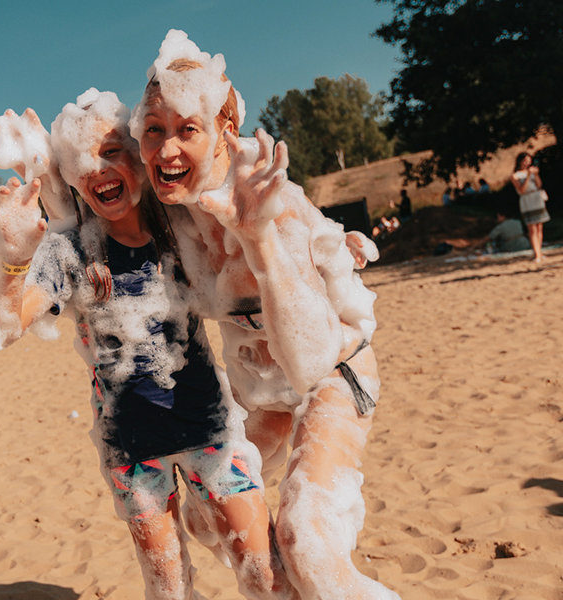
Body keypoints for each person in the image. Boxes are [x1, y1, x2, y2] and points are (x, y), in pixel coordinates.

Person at [0, 93, 292, 599]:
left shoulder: (183, 228)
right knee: (168, 589)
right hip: (131, 450)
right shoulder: (71, 250)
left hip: (210, 431)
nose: (99, 168)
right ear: (74, 175)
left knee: (264, 574)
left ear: (140, 160)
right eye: (85, 160)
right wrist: (12, 258)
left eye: (112, 151)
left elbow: (255, 253)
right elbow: (7, 324)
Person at [130, 31, 395, 599]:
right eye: (155, 129)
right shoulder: (167, 206)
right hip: (262, 393)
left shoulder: (266, 198)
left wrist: (261, 243)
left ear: (224, 132)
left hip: (331, 377)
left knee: (305, 535)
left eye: (187, 130)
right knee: (207, 517)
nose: (167, 149)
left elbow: (311, 357)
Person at [510, 152, 549, 262]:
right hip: (527, 200)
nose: (528, 163)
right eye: (525, 160)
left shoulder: (533, 172)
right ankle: (536, 253)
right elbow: (521, 190)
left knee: (539, 227)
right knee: (532, 228)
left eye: (529, 160)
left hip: (537, 198)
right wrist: (528, 176)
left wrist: (535, 175)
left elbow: (539, 185)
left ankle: (540, 252)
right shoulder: (515, 175)